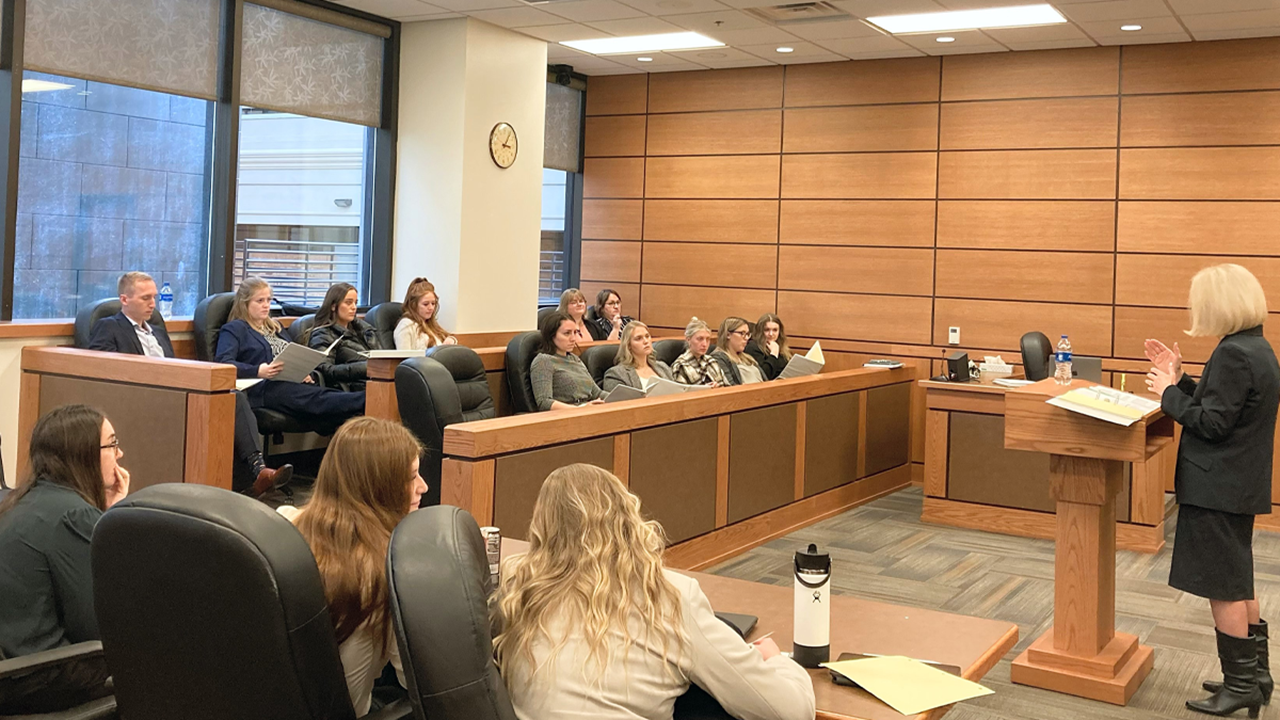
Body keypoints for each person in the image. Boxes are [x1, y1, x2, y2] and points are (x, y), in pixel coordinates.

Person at [492, 464, 815, 720]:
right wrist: (779, 662)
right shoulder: (670, 595)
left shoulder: (514, 587)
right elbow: (789, 711)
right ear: (628, 517)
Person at [1145, 263, 1280, 718]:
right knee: (1238, 577)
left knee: (1221, 585)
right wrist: (1180, 377)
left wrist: (1167, 393)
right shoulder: (1255, 347)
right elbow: (1221, 401)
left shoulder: (1233, 353)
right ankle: (1254, 676)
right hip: (1238, 485)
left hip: (1217, 486)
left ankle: (1241, 684)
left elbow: (1212, 422)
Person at [89, 271, 291, 498]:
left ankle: (254, 472)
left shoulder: (157, 330)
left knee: (232, 397)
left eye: (154, 297)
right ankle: (250, 477)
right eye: (145, 298)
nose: (152, 304)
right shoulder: (109, 327)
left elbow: (175, 366)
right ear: (124, 300)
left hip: (177, 390)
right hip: (143, 394)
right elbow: (103, 367)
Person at [289, 417, 425, 715]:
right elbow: (419, 677)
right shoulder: (388, 570)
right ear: (380, 487)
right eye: (412, 477)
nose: (423, 487)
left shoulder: (281, 525)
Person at [0, 405, 130, 714]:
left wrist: (104, 516)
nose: (120, 453)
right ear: (82, 454)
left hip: (13, 670)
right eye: (112, 444)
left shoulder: (20, 503)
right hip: (41, 678)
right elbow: (100, 627)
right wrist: (110, 522)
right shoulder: (75, 515)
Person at [215, 277, 365, 435]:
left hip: (290, 382)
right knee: (322, 400)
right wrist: (258, 370)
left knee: (326, 400)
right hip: (264, 388)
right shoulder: (235, 329)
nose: (266, 305)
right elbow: (223, 363)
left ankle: (364, 405)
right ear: (245, 303)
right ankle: (367, 400)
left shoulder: (275, 326)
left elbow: (292, 352)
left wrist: (302, 370)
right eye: (259, 301)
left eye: (268, 300)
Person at [307, 282, 381, 391]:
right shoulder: (323, 334)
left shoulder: (365, 330)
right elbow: (325, 370)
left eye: (355, 303)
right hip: (354, 388)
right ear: (333, 306)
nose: (354, 307)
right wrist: (366, 367)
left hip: (377, 381)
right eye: (348, 303)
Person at [531, 311, 604, 411]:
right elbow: (544, 402)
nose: (573, 338)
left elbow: (597, 393)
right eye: (567, 333)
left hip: (587, 410)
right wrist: (579, 409)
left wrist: (622, 399)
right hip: (566, 416)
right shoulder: (543, 361)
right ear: (551, 335)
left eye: (575, 332)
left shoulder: (575, 358)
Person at [602, 321, 674, 393]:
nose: (646, 341)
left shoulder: (663, 367)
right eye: (638, 338)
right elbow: (618, 402)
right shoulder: (616, 374)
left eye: (647, 336)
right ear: (628, 345)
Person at [394, 277, 457, 350]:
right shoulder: (405, 326)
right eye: (425, 304)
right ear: (413, 305)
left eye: (433, 303)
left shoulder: (431, 324)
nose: (431, 308)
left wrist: (451, 340)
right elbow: (404, 358)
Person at [671, 317, 728, 387]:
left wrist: (718, 387)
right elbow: (682, 394)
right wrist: (704, 390)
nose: (705, 344)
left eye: (707, 339)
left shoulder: (712, 361)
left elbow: (727, 387)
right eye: (700, 339)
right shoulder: (680, 366)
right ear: (688, 339)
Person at [713, 317, 762, 385]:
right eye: (742, 333)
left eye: (747, 334)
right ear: (728, 335)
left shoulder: (748, 358)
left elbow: (766, 382)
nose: (747, 338)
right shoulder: (719, 357)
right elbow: (730, 387)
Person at [746, 313, 793, 381]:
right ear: (760, 331)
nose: (771, 334)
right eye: (767, 330)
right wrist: (773, 354)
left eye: (775, 330)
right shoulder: (753, 347)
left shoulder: (783, 348)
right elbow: (763, 375)